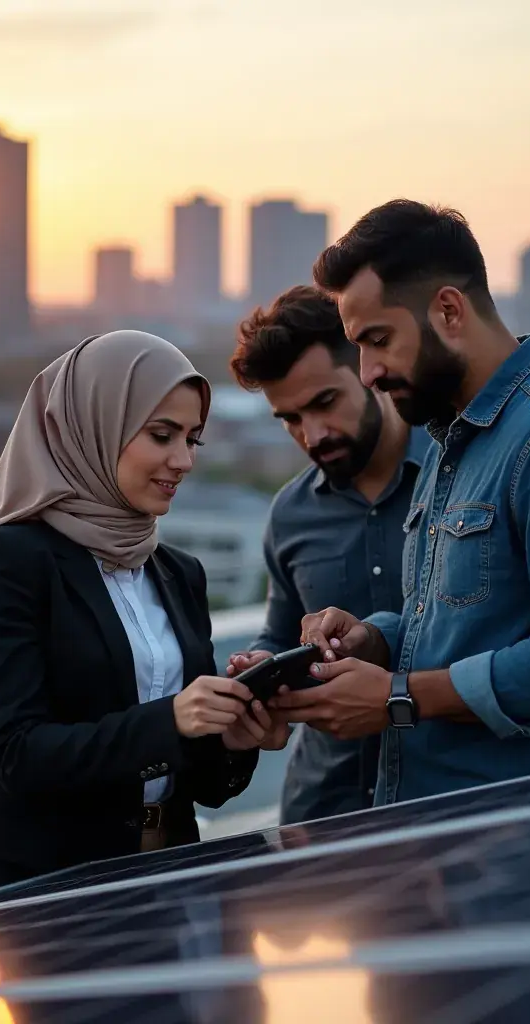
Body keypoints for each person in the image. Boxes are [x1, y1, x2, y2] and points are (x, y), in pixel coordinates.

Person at [272, 200, 530, 805]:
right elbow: (464, 626)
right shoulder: (454, 438)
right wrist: (376, 638)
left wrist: (398, 697)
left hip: (526, 843)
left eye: (378, 340)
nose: (367, 372)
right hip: (447, 840)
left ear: (448, 309)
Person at [0, 331, 283, 901]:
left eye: (193, 439)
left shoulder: (178, 573)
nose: (184, 460)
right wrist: (171, 718)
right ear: (93, 427)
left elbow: (202, 787)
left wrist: (238, 735)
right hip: (41, 888)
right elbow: (17, 755)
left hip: (170, 875)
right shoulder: (14, 558)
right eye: (161, 435)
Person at [226, 285, 432, 824]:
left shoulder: (459, 476)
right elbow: (280, 633)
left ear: (367, 370)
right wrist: (259, 670)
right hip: (323, 818)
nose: (312, 435)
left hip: (451, 806)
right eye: (289, 419)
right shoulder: (289, 513)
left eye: (324, 403)